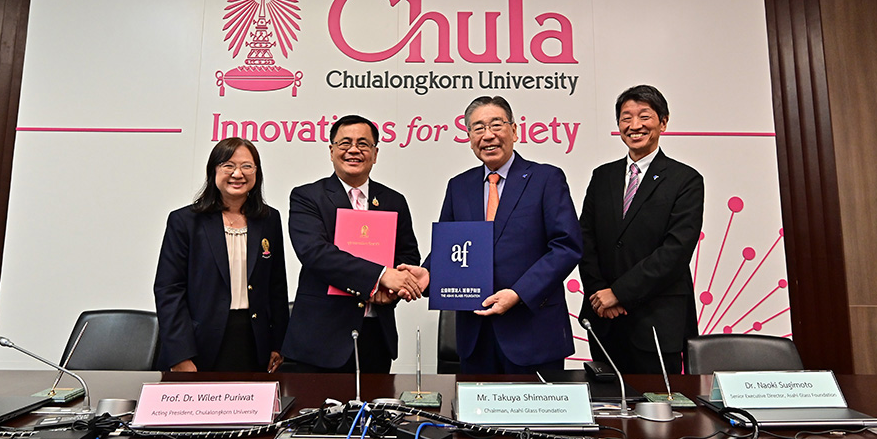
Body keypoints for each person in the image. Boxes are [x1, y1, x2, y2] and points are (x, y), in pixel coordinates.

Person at [403, 96, 583, 374]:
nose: (488, 135)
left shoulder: (546, 178)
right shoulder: (459, 186)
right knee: (475, 418)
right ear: (469, 137)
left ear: (514, 130)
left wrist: (518, 293)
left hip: (532, 330)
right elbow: (451, 247)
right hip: (475, 336)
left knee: (535, 418)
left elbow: (566, 246)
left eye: (496, 125)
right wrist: (429, 274)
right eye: (478, 128)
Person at [578, 85, 703, 374]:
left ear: (663, 122)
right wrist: (599, 293)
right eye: (626, 117)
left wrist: (619, 293)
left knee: (661, 410)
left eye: (644, 116)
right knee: (607, 408)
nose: (635, 126)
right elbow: (585, 239)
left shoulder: (685, 179)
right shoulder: (602, 176)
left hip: (657, 319)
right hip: (604, 319)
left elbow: (675, 250)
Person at [281, 115, 422, 373]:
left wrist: (391, 291)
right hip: (321, 339)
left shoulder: (394, 201)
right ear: (331, 150)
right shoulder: (307, 197)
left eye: (363, 144)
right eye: (345, 143)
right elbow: (316, 254)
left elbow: (408, 256)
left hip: (376, 336)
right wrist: (379, 277)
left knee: (373, 412)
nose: (354, 150)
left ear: (375, 153)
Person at [154, 137, 289, 372]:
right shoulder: (185, 221)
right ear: (213, 170)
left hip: (254, 342)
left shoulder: (269, 219)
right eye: (228, 165)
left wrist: (278, 344)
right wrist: (180, 355)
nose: (238, 173)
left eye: (247, 166)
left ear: (257, 173)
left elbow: (277, 286)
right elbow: (169, 291)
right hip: (199, 344)